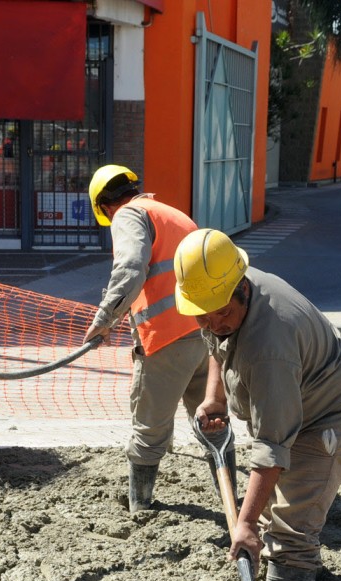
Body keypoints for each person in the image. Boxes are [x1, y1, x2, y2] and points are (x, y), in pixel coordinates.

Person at [174, 228, 341, 581]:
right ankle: (279, 575)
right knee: (265, 512)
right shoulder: (220, 286)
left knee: (290, 528)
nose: (213, 322)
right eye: (203, 314)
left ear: (241, 290)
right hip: (296, 396)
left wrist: (244, 524)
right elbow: (217, 340)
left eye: (222, 312)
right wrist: (214, 396)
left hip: (331, 413)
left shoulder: (269, 346)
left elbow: (271, 448)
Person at [82, 166, 235, 512]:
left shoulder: (127, 216)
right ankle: (233, 502)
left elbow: (131, 268)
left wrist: (105, 319)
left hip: (167, 340)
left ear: (104, 207)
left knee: (148, 429)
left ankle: (141, 507)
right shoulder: (172, 215)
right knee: (212, 418)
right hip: (205, 334)